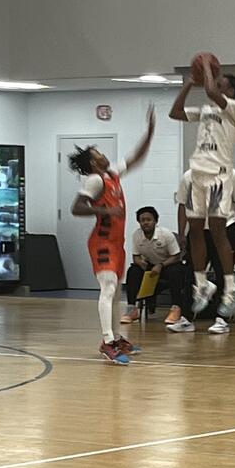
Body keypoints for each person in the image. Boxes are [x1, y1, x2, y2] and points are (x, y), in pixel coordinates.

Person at [70, 107, 155, 365]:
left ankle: (116, 339)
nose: (104, 155)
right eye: (98, 153)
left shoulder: (111, 174)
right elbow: (76, 207)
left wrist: (150, 132)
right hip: (102, 242)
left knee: (117, 293)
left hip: (117, 244)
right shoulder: (94, 181)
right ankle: (107, 342)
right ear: (94, 162)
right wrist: (104, 210)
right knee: (108, 289)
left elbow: (135, 157)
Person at [169, 58, 235, 321]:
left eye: (221, 80)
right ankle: (202, 283)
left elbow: (212, 91)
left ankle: (231, 286)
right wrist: (189, 83)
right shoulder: (205, 110)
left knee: (216, 230)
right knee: (195, 232)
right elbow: (175, 113)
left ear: (230, 91)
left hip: (218, 176)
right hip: (197, 176)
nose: (215, 81)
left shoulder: (233, 108)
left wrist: (204, 63)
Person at [172, 168, 235, 334]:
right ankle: (186, 318)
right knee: (191, 273)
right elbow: (182, 205)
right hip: (198, 231)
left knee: (223, 273)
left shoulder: (231, 174)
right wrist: (181, 232)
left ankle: (222, 319)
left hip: (225, 228)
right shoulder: (188, 176)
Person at [122, 207, 190, 326]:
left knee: (175, 272)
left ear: (155, 221)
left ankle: (176, 308)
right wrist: (141, 263)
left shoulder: (166, 234)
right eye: (142, 220)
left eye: (149, 220)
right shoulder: (136, 235)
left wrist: (161, 265)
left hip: (168, 264)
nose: (145, 223)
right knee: (133, 271)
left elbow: (176, 256)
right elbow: (136, 257)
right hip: (150, 265)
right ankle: (132, 309)